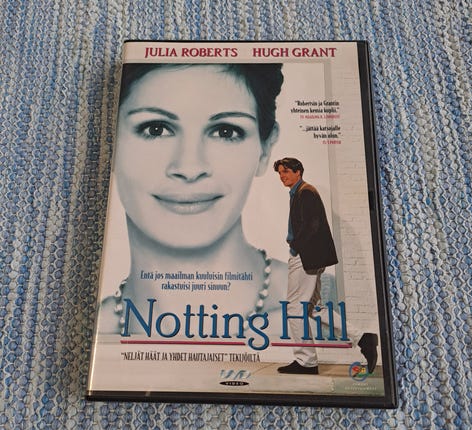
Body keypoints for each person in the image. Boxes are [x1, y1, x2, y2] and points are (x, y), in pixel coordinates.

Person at [98, 63, 288, 334]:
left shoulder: (330, 310)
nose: (189, 168)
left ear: (265, 150)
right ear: (111, 144)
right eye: (155, 129)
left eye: (225, 132)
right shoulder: (92, 332)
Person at [274, 157, 378, 374]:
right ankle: (363, 338)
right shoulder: (299, 192)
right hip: (310, 257)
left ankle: (306, 362)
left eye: (286, 171)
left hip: (305, 257)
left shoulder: (306, 192)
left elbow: (312, 225)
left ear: (298, 172)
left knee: (295, 308)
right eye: (280, 173)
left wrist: (296, 246)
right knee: (314, 308)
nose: (282, 176)